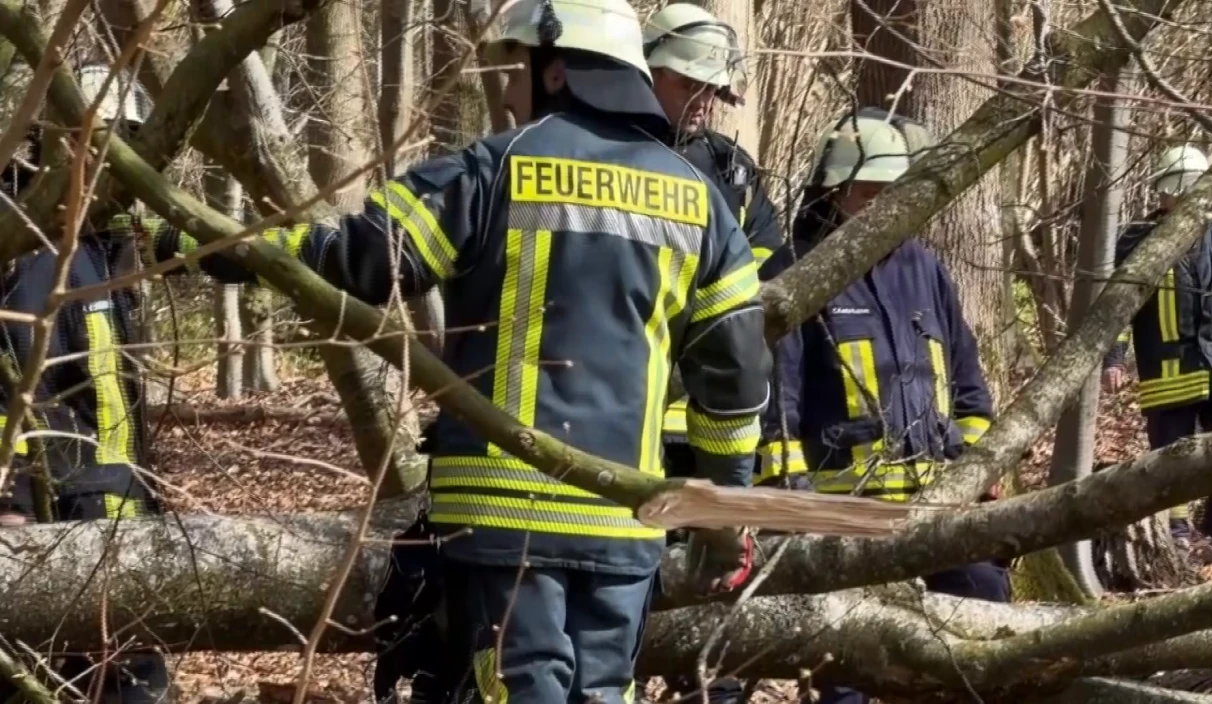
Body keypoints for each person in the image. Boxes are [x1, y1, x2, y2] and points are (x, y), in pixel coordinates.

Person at [148, 0, 772, 700]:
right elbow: (735, 384)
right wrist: (725, 523)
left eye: (515, 71)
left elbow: (355, 257)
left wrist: (221, 247)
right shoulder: (706, 207)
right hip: (626, 528)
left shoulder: (494, 170)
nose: (505, 92)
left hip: (504, 521)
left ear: (560, 73)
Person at [761, 108, 1008, 704]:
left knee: (986, 634)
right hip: (845, 512)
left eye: (892, 193)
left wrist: (978, 465)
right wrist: (794, 502)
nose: (883, 207)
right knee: (846, 668)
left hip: (939, 502)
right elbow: (776, 403)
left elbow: (969, 383)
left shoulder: (925, 268)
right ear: (834, 189)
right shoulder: (797, 269)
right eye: (870, 192)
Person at [0, 63, 168, 703]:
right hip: (44, 517)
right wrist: (11, 497)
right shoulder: (17, 239)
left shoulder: (111, 239)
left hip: (123, 515)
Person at [643, 4, 792, 494]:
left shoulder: (733, 171)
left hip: (718, 419)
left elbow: (770, 265)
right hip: (629, 416)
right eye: (689, 85)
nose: (703, 101)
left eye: (710, 89)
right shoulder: (612, 156)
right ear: (647, 72)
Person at [1102, 145, 1212, 560]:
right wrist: (1114, 358)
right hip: (1168, 371)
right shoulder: (1136, 239)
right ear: (1161, 192)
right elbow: (1117, 305)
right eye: (1174, 190)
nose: (1179, 198)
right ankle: (1177, 534)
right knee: (1170, 458)